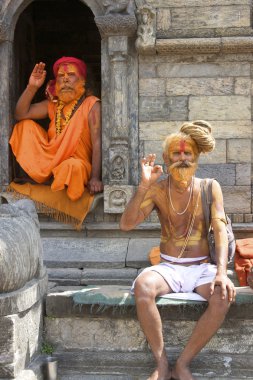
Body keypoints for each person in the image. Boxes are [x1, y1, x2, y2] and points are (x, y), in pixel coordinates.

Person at [120, 120, 236, 380]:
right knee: (143, 288)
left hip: (202, 267)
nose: (182, 158)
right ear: (166, 157)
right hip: (169, 268)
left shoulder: (209, 186)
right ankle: (161, 365)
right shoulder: (158, 190)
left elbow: (219, 230)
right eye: (176, 153)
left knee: (222, 296)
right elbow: (126, 224)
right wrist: (143, 186)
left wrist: (221, 273)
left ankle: (182, 364)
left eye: (188, 153)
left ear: (196, 157)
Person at [8, 57, 103, 227]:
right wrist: (32, 87)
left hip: (78, 165)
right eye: (61, 75)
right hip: (50, 164)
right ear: (56, 82)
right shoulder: (53, 105)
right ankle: (49, 180)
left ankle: (53, 184)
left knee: (72, 167)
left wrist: (95, 177)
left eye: (71, 74)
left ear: (83, 80)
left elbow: (97, 142)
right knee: (24, 126)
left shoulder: (91, 104)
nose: (65, 79)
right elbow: (20, 114)